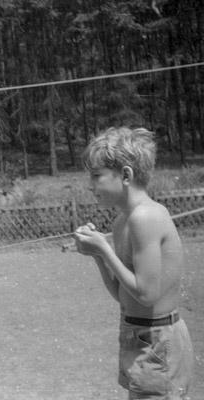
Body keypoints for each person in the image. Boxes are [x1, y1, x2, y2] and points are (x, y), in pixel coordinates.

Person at [73, 127, 194, 399]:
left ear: (125, 175)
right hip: (135, 331)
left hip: (159, 337)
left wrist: (104, 249)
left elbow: (147, 294)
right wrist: (98, 256)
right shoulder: (121, 222)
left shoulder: (146, 218)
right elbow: (122, 295)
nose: (90, 185)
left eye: (96, 176)